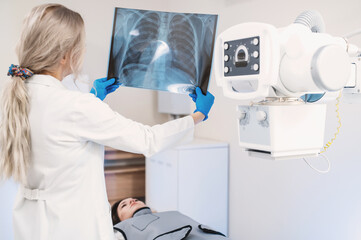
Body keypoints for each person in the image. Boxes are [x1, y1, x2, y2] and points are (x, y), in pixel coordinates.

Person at [0, 4, 214, 240]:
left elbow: (56, 132)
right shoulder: (75, 106)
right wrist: (198, 116)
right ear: (64, 55)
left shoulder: (17, 97)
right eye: (79, 45)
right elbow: (147, 140)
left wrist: (92, 99)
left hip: (30, 226)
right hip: (72, 227)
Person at [111, 198, 230, 240]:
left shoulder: (173, 214)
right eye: (124, 205)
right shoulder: (121, 230)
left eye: (135, 199)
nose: (132, 201)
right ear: (120, 222)